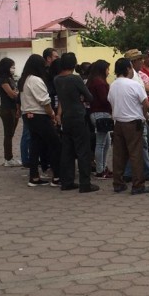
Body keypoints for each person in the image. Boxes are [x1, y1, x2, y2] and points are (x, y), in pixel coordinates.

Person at [54, 52, 98, 193]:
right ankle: (85, 183)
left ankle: (67, 181)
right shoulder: (76, 79)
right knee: (83, 151)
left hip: (66, 117)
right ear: (74, 64)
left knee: (67, 150)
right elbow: (89, 97)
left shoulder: (57, 79)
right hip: (79, 117)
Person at [108, 58, 149, 195]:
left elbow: (110, 101)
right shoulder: (134, 85)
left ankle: (118, 183)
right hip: (133, 122)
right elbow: (146, 103)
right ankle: (138, 184)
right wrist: (144, 115)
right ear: (128, 69)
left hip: (118, 122)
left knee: (118, 154)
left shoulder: (113, 85)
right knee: (135, 154)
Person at [19, 54, 61, 187]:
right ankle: (57, 177)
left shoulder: (24, 80)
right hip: (39, 115)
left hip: (28, 115)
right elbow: (44, 101)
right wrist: (52, 115)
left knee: (35, 145)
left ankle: (34, 177)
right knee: (55, 144)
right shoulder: (36, 80)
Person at [122, 49, 149, 182]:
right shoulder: (132, 77)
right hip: (137, 115)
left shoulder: (137, 75)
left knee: (136, 145)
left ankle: (128, 172)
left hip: (137, 115)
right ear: (133, 62)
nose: (142, 61)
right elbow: (142, 97)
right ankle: (147, 172)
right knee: (142, 144)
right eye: (140, 60)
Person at [87, 60, 113, 179]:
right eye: (107, 69)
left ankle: (103, 167)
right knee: (101, 143)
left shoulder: (92, 81)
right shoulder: (100, 83)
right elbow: (105, 99)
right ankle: (100, 170)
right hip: (101, 114)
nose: (109, 71)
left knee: (106, 142)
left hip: (96, 113)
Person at [0, 57, 21, 166]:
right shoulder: (2, 79)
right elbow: (11, 94)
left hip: (14, 108)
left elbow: (16, 92)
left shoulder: (10, 78)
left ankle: (9, 158)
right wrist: (16, 93)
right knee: (8, 134)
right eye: (11, 67)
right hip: (7, 109)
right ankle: (8, 158)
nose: (13, 69)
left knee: (11, 133)